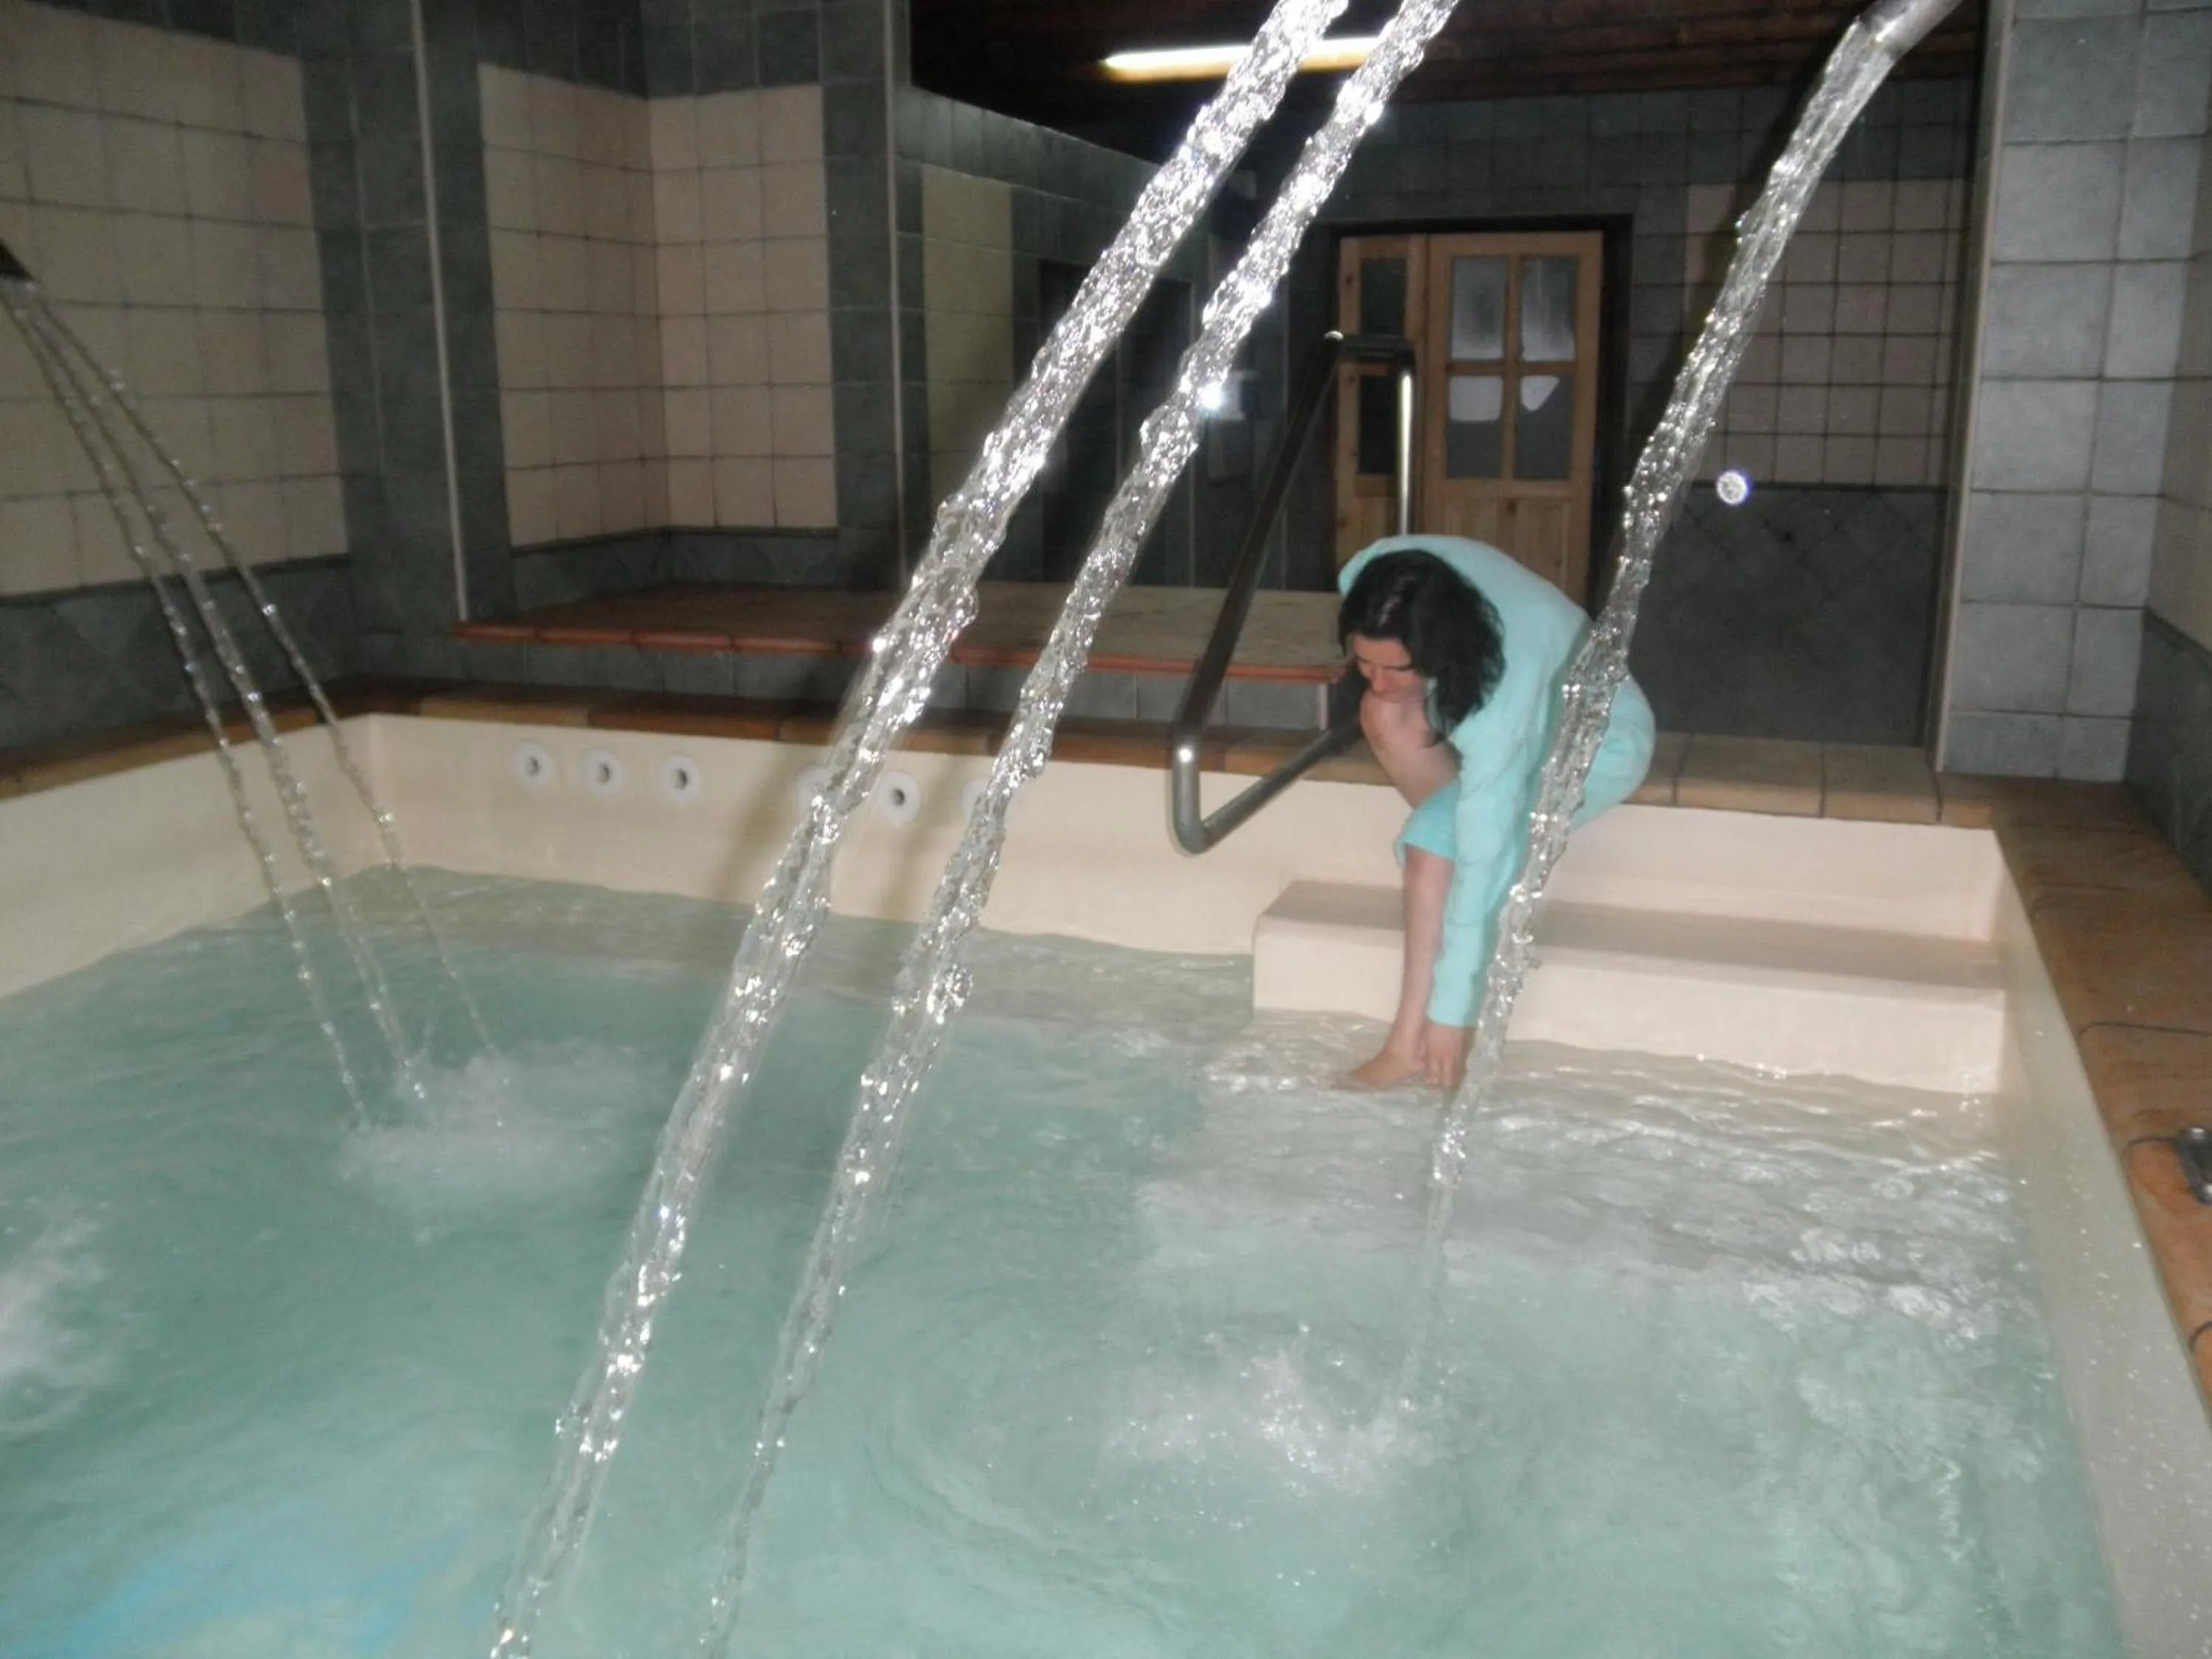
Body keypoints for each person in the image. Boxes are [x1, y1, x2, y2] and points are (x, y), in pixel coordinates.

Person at [1336, 535, 1655, 1091]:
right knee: (1385, 715)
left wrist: (1452, 1015)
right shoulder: (1369, 575)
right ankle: (1466, 846)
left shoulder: (1508, 685)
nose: (1379, 680)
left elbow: (1480, 850)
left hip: (1597, 740)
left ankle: (1409, 1043)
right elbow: (1390, 670)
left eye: (1396, 668)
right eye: (1364, 663)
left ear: (1437, 645)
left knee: (1436, 849)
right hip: (1506, 688)